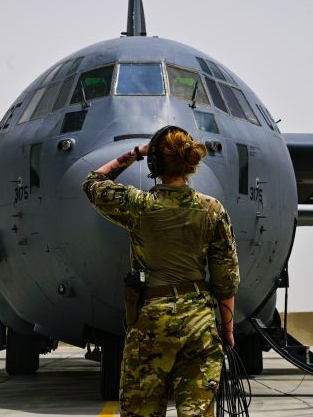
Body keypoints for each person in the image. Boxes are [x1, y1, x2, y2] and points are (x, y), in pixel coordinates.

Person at [83, 126, 240, 417]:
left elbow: (94, 182)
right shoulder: (212, 210)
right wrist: (227, 331)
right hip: (200, 323)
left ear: (154, 165)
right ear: (190, 163)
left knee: (142, 410)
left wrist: (134, 154)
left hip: (151, 323)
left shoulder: (139, 205)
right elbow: (226, 277)